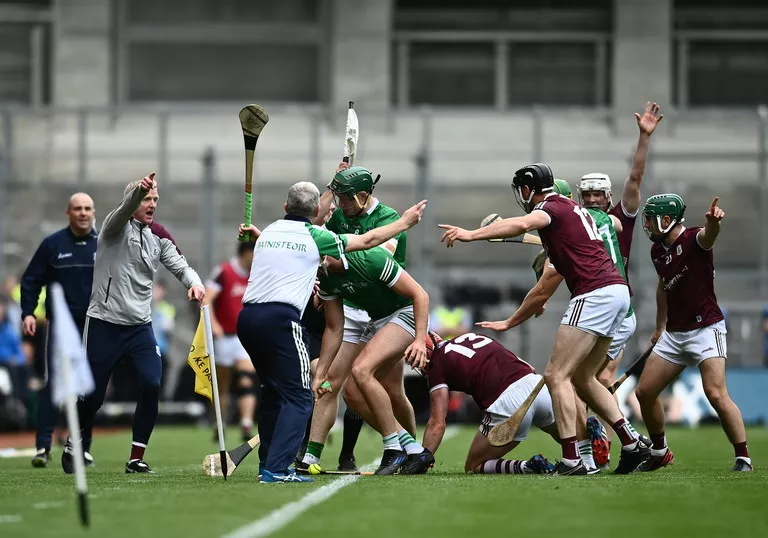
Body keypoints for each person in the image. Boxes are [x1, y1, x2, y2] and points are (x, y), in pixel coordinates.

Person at [439, 163, 646, 475]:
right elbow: (613, 229)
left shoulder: (549, 208)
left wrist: (471, 235)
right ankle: (631, 444)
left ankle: (573, 460)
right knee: (583, 378)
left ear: (527, 189)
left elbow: (522, 224)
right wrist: (512, 320)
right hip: (619, 293)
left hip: (594, 293)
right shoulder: (579, 211)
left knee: (556, 375)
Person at [236, 181, 426, 483]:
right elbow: (367, 241)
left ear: (286, 208)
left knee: (273, 394)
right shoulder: (316, 236)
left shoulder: (269, 232)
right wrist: (403, 223)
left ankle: (267, 466)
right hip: (281, 320)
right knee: (299, 397)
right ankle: (278, 469)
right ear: (315, 213)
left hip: (246, 320)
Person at [64, 172, 205, 474]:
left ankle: (136, 457)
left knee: (152, 382)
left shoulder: (160, 236)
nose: (151, 204)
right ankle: (74, 441)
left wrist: (194, 283)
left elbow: (182, 266)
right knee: (94, 396)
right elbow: (121, 211)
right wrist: (136, 193)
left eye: (154, 199)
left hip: (140, 327)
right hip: (104, 322)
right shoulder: (113, 230)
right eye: (146, 199)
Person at [573, 102, 663, 466]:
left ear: (608, 198)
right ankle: (619, 442)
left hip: (616, 307)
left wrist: (643, 136)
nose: (593, 199)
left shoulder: (617, 217)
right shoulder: (574, 223)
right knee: (588, 380)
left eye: (599, 194)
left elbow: (636, 178)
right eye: (587, 195)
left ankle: (611, 444)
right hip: (594, 304)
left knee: (597, 376)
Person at [634, 194, 752, 472]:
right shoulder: (657, 251)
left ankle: (743, 456)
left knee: (715, 393)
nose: (647, 226)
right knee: (645, 392)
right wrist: (660, 325)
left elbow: (708, 237)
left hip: (705, 329)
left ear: (666, 220)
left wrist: (713, 224)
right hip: (674, 335)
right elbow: (664, 286)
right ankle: (659, 450)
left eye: (651, 220)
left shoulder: (693, 240)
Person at [312, 164, 411, 473]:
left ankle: (418, 449)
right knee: (341, 385)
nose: (339, 206)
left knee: (392, 391)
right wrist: (332, 186)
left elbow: (372, 258)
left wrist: (328, 273)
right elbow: (313, 221)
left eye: (344, 198)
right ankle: (311, 455)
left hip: (386, 309)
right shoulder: (341, 213)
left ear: (364, 196)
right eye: (337, 198)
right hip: (352, 307)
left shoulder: (390, 219)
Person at [307, 245, 431, 475]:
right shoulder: (326, 278)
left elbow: (420, 295)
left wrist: (420, 340)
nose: (321, 264)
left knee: (363, 371)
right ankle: (413, 449)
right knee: (353, 394)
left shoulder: (372, 259)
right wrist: (321, 373)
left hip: (405, 314)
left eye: (324, 257)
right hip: (377, 321)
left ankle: (394, 449)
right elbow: (334, 329)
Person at [20, 192, 97, 468]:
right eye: (77, 208)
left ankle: (82, 447)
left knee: (89, 389)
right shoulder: (52, 245)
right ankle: (43, 446)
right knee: (54, 385)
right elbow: (30, 280)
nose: (83, 213)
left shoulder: (104, 244)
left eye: (88, 208)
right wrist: (28, 312)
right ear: (68, 213)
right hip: (61, 329)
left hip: (94, 326)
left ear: (94, 212)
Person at [422, 331, 556, 475]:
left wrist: (422, 459)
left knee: (473, 466)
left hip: (508, 403)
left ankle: (527, 466)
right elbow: (530, 367)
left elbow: (437, 423)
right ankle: (578, 461)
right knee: (576, 442)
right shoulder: (473, 336)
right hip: (536, 386)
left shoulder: (436, 363)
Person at [204, 242, 258, 443]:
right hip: (223, 337)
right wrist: (214, 324)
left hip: (243, 337)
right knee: (222, 386)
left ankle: (246, 424)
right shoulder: (225, 271)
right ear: (245, 252)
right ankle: (220, 424)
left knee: (246, 378)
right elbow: (207, 299)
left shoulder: (256, 274)